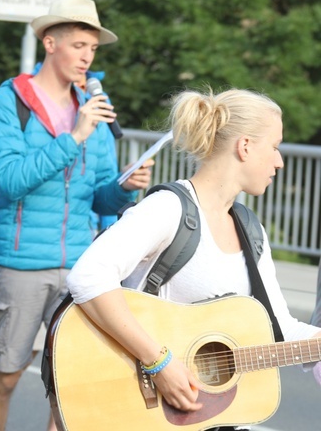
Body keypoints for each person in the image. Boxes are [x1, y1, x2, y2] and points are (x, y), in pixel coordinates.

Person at [67, 88, 321, 430]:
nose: (279, 161)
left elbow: (278, 328)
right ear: (245, 146)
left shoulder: (250, 228)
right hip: (149, 411)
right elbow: (88, 277)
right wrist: (159, 363)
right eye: (274, 147)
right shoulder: (168, 209)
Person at [0, 0, 153, 431]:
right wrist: (74, 137)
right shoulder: (7, 102)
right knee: (6, 378)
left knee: (70, 385)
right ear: (50, 43)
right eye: (78, 46)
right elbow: (9, 180)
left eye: (92, 48)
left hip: (80, 266)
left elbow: (101, 199)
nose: (87, 57)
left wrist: (124, 188)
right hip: (20, 265)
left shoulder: (93, 106)